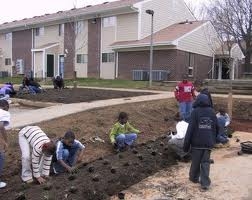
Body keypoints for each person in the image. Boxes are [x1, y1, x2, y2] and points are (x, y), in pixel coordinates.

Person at [183, 94, 218, 190]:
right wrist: (214, 140)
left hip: (196, 144)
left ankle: (193, 178)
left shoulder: (195, 112)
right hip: (208, 144)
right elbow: (216, 128)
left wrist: (186, 145)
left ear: (197, 101)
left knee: (195, 162)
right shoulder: (212, 112)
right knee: (205, 163)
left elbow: (190, 129)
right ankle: (205, 183)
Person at [0, 100, 10, 189]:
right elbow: (1, 126)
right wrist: (5, 142)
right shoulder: (3, 112)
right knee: (1, 156)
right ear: (6, 106)